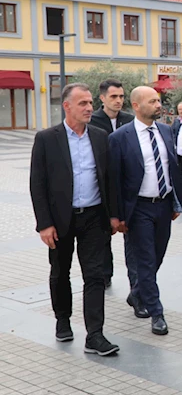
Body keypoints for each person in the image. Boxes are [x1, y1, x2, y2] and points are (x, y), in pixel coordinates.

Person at [30, 83, 121, 356]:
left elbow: (109, 179)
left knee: (95, 275)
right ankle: (62, 319)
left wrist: (114, 215)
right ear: (67, 106)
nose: (89, 108)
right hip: (60, 219)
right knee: (60, 272)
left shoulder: (100, 136)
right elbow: (38, 183)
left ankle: (95, 335)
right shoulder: (47, 138)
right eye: (83, 103)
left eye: (91, 102)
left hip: (94, 217)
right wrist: (44, 224)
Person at [109, 86, 182, 336]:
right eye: (152, 101)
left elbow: (173, 168)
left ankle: (137, 293)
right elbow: (114, 180)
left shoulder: (166, 130)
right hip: (139, 207)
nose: (158, 105)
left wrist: (177, 202)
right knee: (144, 259)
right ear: (136, 105)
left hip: (163, 205)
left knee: (158, 256)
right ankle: (156, 312)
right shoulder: (121, 137)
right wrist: (117, 215)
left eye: (159, 100)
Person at [90, 79, 135, 290]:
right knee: (103, 233)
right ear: (102, 98)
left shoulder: (130, 120)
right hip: (101, 185)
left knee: (131, 233)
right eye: (113, 97)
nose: (118, 101)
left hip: (126, 185)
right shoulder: (92, 120)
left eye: (121, 96)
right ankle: (105, 274)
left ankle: (135, 280)